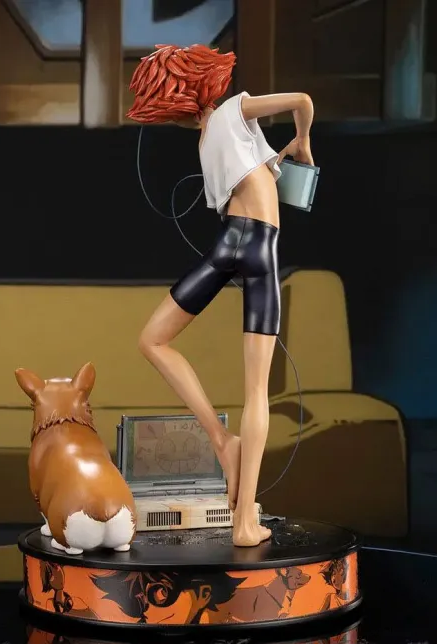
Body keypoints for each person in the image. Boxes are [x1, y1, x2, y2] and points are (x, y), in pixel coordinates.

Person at [127, 44, 315, 547]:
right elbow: (302, 100)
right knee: (256, 393)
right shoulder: (234, 109)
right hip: (260, 249)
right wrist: (303, 140)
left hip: (227, 245)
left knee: (153, 340)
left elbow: (245, 178)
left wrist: (279, 158)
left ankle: (220, 439)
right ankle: (244, 522)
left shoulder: (208, 136)